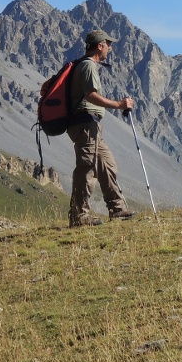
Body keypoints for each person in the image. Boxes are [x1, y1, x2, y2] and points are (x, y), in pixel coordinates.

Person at [67, 29, 137, 227]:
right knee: (86, 168)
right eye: (108, 44)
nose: (110, 48)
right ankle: (79, 216)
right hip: (84, 124)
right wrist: (118, 105)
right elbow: (90, 95)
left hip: (91, 125)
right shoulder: (88, 66)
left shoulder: (86, 65)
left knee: (107, 165)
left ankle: (117, 209)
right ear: (100, 46)